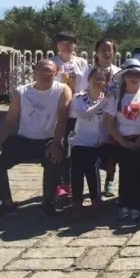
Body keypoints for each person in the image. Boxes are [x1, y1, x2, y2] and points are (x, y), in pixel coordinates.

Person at [0, 59, 71, 220]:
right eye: (42, 70)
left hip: (48, 139)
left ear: (56, 73)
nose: (46, 74)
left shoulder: (62, 90)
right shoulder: (21, 91)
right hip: (24, 140)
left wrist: (56, 144)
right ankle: (7, 203)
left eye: (50, 71)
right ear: (35, 71)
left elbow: (62, 120)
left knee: (55, 158)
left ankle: (48, 203)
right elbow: (10, 121)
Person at [104, 59, 140, 222]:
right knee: (126, 172)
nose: (134, 77)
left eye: (138, 74)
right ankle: (124, 204)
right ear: (124, 76)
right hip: (122, 140)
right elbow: (109, 122)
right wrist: (122, 141)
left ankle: (137, 205)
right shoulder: (115, 96)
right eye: (130, 74)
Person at [50, 31, 90, 198]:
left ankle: (73, 182)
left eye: (70, 43)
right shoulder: (53, 63)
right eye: (63, 43)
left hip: (76, 112)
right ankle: (61, 181)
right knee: (58, 146)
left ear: (75, 45)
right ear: (57, 45)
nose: (67, 46)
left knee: (73, 147)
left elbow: (87, 86)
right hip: (58, 111)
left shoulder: (81, 63)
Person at [81, 38, 121, 197]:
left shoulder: (119, 72)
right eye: (102, 50)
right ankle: (92, 183)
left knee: (112, 151)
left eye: (109, 50)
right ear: (96, 53)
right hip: (93, 115)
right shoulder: (89, 72)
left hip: (113, 116)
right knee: (92, 149)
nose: (106, 53)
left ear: (114, 53)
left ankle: (110, 181)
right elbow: (83, 92)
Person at [70, 67, 110, 219]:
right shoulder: (79, 98)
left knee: (91, 167)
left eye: (102, 79)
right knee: (76, 169)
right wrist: (103, 102)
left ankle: (95, 200)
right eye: (95, 78)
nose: (98, 82)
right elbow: (84, 114)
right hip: (80, 142)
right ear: (89, 79)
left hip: (99, 143)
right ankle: (76, 202)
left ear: (106, 82)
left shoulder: (108, 100)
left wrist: (105, 100)